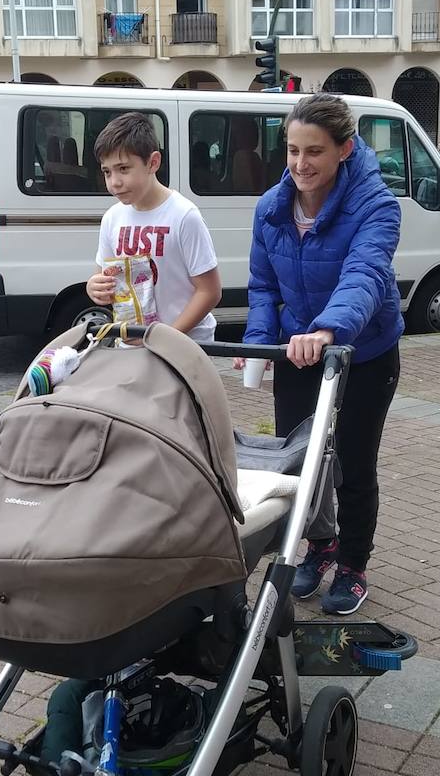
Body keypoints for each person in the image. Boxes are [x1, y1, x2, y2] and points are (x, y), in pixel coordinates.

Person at [236, 93, 403, 616]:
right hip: (298, 354)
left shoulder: (376, 206)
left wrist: (330, 330)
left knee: (352, 462)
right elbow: (262, 285)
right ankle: (320, 545)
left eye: (314, 152)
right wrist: (262, 343)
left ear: (344, 150)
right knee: (300, 462)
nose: (301, 164)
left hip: (363, 353)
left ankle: (353, 561)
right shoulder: (271, 208)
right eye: (292, 150)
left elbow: (366, 275)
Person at [84, 112, 222, 340]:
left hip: (186, 346)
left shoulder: (184, 215)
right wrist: (95, 288)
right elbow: (103, 278)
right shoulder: (111, 218)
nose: (114, 182)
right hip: (132, 343)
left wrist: (166, 337)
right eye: (107, 172)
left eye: (124, 169)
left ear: (153, 162)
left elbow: (210, 291)